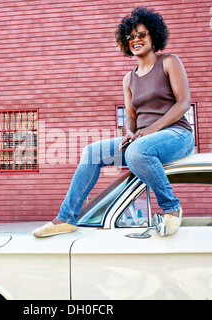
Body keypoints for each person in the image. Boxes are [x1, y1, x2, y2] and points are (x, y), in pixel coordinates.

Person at [33, 6, 195, 237]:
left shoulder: (169, 62)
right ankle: (66, 219)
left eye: (141, 34)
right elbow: (130, 116)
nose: (135, 39)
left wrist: (150, 129)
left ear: (153, 35)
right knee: (92, 152)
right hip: (142, 140)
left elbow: (183, 103)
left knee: (137, 152)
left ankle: (171, 208)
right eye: (130, 37)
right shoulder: (128, 78)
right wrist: (129, 131)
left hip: (177, 136)